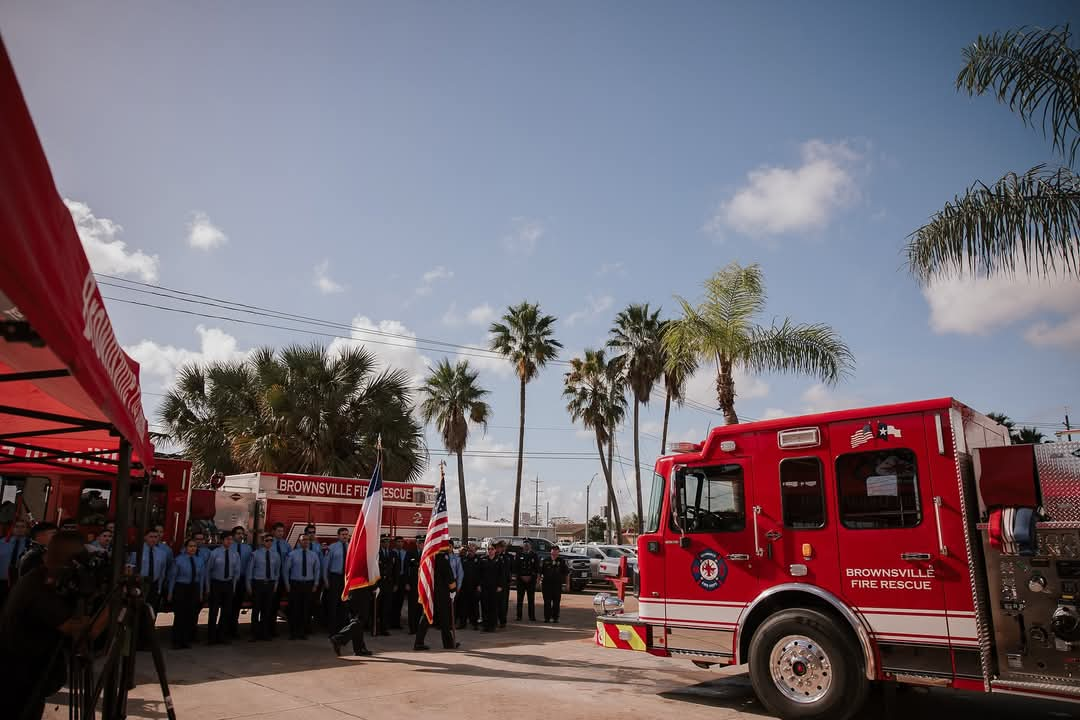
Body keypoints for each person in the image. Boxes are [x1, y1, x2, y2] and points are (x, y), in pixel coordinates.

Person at [0, 530, 111, 720]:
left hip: (29, 674)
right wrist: (115, 604)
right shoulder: (39, 585)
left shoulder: (46, 580)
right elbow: (84, 632)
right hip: (17, 676)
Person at [414, 547, 458, 651]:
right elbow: (449, 576)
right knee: (445, 619)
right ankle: (448, 643)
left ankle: (418, 642)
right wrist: (453, 590)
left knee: (426, 617)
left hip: (429, 592)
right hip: (441, 594)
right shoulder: (442, 559)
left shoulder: (427, 558)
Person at [167, 539, 206, 649]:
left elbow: (201, 577)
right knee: (180, 615)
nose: (193, 548)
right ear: (185, 548)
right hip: (181, 587)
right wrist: (170, 592)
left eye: (194, 546)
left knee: (190, 615)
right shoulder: (178, 560)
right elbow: (173, 577)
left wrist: (201, 592)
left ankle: (185, 640)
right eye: (190, 546)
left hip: (194, 588)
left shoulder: (200, 560)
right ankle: (176, 641)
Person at [204, 531, 240, 644]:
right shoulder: (214, 553)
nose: (229, 542)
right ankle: (211, 637)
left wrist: (233, 586)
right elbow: (208, 571)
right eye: (227, 539)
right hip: (216, 583)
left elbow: (236, 572)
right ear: (222, 540)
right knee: (213, 611)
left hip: (228, 584)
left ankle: (221, 636)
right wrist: (208, 587)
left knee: (226, 612)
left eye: (231, 539)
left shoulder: (235, 554)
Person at [284, 534, 320, 640]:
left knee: (306, 609)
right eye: (303, 540)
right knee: (294, 609)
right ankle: (293, 632)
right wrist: (287, 585)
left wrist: (316, 584)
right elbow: (286, 571)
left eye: (307, 540)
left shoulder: (314, 555)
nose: (305, 542)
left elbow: (317, 570)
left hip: (308, 584)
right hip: (295, 584)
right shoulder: (292, 555)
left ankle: (302, 632)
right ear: (299, 542)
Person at [246, 533, 281, 641]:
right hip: (258, 584)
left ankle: (265, 633)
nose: (269, 542)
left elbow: (277, 572)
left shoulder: (276, 555)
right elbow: (249, 572)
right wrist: (249, 586)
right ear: (262, 542)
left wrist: (275, 585)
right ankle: (254, 634)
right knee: (256, 610)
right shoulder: (255, 554)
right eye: (267, 540)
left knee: (267, 610)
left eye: (271, 540)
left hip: (270, 584)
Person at [129, 528, 171, 613]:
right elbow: (131, 567)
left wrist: (159, 588)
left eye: (155, 537)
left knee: (151, 609)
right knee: (137, 609)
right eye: (151, 537)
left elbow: (162, 572)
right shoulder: (137, 551)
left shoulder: (162, 553)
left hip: (154, 584)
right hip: (140, 583)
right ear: (145, 537)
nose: (153, 539)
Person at [329, 585, 373, 657]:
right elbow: (367, 576)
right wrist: (374, 587)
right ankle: (338, 639)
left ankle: (359, 648)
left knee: (355, 620)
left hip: (352, 592)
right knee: (360, 620)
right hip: (362, 593)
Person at [322, 527, 350, 635]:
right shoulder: (332, 548)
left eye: (346, 534)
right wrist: (326, 580)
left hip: (346, 579)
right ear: (338, 536)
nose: (345, 536)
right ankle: (332, 630)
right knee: (333, 605)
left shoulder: (351, 547)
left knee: (344, 605)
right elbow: (325, 566)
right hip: (335, 578)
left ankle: (342, 629)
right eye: (343, 534)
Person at [228, 526, 253, 638]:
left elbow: (250, 565)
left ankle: (234, 629)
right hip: (230, 579)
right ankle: (224, 629)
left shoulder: (248, 548)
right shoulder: (229, 547)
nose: (240, 535)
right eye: (238, 533)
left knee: (237, 605)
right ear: (233, 535)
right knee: (227, 605)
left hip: (241, 579)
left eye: (242, 533)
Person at [0, 519, 30, 608]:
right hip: (2, 582)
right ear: (12, 529)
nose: (19, 529)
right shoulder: (2, 542)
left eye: (23, 527)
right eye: (17, 526)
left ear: (27, 529)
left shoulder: (30, 544)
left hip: (20, 583)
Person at [540, 545, 569, 623]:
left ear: (558, 552)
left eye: (556, 550)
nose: (555, 552)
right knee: (547, 602)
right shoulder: (545, 560)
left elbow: (566, 574)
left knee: (556, 602)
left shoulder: (562, 561)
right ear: (551, 551)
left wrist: (567, 584)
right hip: (546, 585)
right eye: (553, 550)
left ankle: (555, 617)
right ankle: (547, 618)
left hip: (557, 585)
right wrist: (538, 582)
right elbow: (540, 572)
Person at [476, 544, 502, 632]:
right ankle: (485, 625)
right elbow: (479, 573)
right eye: (489, 549)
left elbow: (502, 574)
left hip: (494, 587)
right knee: (485, 606)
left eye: (492, 549)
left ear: (495, 550)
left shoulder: (499, 560)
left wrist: (500, 585)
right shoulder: (483, 559)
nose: (490, 550)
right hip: (484, 587)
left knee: (493, 607)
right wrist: (479, 585)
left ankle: (493, 625)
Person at [376, 535, 398, 635]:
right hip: (379, 583)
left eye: (388, 542)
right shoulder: (377, 553)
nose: (386, 544)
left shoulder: (393, 553)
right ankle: (375, 627)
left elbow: (396, 570)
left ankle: (384, 628)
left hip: (389, 583)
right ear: (380, 543)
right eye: (384, 542)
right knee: (377, 606)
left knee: (386, 607)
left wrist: (396, 584)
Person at [514, 540, 539, 621]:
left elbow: (537, 568)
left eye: (528, 545)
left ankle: (531, 616)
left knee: (531, 599)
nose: (526, 546)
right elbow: (516, 568)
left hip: (531, 580)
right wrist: (522, 576)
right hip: (521, 580)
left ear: (530, 546)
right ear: (523, 546)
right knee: (519, 599)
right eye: (525, 545)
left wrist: (531, 577)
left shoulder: (534, 555)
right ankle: (519, 616)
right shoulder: (518, 555)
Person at [405, 535, 422, 634]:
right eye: (419, 543)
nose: (421, 545)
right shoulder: (410, 553)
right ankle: (412, 628)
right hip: (412, 583)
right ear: (416, 543)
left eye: (423, 543)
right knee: (412, 607)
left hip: (422, 584)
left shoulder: (426, 553)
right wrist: (407, 582)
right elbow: (406, 568)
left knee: (420, 607)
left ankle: (419, 627)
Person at [391, 536, 408, 628]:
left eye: (401, 542)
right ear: (395, 543)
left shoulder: (405, 553)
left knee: (400, 601)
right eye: (398, 541)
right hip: (393, 580)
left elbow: (407, 569)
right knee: (392, 602)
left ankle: (397, 622)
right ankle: (391, 622)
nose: (400, 543)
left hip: (402, 579)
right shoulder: (392, 553)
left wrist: (406, 582)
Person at [495, 541, 511, 628]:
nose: (498, 549)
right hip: (495, 583)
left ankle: (502, 621)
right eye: (497, 547)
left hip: (504, 584)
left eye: (500, 547)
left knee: (503, 603)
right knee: (496, 603)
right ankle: (495, 619)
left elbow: (509, 570)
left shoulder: (507, 557)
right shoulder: (495, 556)